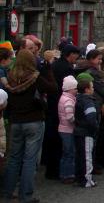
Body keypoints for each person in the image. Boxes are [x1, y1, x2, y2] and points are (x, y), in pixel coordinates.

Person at [3, 49, 57, 202]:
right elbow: (53, 88)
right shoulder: (35, 77)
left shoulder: (10, 77)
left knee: (14, 158)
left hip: (16, 121)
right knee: (29, 159)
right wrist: (48, 70)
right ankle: (25, 195)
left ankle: (8, 192)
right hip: (33, 119)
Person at [44, 44, 79, 179]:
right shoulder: (66, 68)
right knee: (61, 142)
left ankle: (52, 168)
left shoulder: (56, 65)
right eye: (75, 54)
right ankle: (60, 170)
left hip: (55, 104)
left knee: (54, 138)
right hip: (63, 104)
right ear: (70, 54)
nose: (77, 57)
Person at [74, 76, 99, 188]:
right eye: (92, 87)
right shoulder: (88, 101)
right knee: (87, 156)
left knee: (80, 155)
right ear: (86, 89)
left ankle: (80, 177)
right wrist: (95, 128)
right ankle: (87, 179)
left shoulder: (78, 99)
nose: (93, 89)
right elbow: (91, 118)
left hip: (79, 130)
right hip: (86, 132)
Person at [58, 75, 78, 184]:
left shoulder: (64, 98)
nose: (76, 90)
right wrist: (78, 121)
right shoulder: (68, 101)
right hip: (67, 130)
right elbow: (70, 117)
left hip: (64, 129)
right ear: (69, 89)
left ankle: (65, 173)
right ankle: (67, 174)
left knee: (67, 152)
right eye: (75, 88)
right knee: (69, 152)